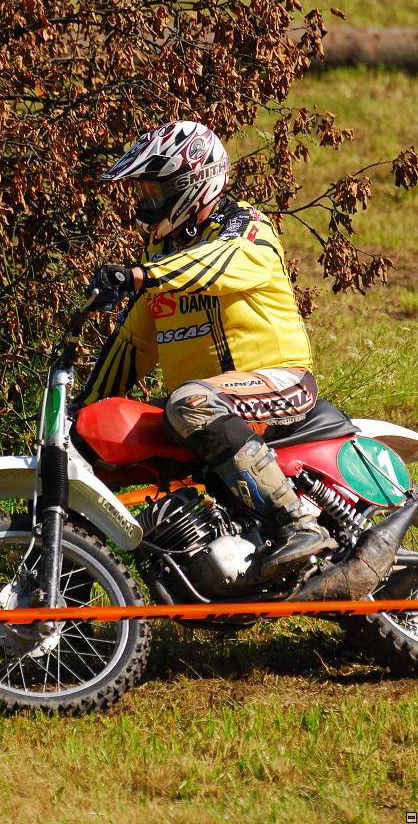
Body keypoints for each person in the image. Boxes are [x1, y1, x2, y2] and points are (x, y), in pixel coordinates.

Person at [77, 120, 335, 577]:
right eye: (144, 192)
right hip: (210, 403)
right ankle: (70, 583)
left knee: (190, 402)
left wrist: (141, 276)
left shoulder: (247, 228)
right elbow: (133, 343)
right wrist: (81, 414)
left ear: (192, 185)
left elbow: (217, 263)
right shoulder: (162, 257)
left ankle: (297, 523)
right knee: (97, 432)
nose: (147, 205)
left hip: (281, 381)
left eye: (156, 192)